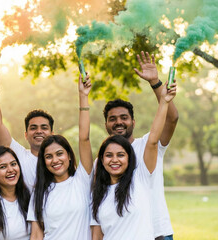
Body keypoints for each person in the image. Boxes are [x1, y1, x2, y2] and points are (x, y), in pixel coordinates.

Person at [93, 51, 178, 240]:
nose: (118, 122)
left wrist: (156, 84)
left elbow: (172, 119)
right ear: (106, 124)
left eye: (124, 118)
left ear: (133, 122)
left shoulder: (147, 147)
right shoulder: (102, 161)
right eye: (112, 119)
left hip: (158, 232)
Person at [28, 75, 94, 239]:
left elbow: (84, 138)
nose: (55, 160)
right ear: (44, 162)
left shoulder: (82, 180)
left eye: (59, 154)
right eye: (49, 157)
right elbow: (36, 235)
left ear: (69, 156)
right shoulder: (39, 192)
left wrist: (83, 97)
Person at [0, 64, 54, 191]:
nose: (39, 131)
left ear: (52, 134)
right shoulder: (19, 156)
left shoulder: (61, 162)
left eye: (44, 127)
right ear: (26, 135)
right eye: (33, 128)